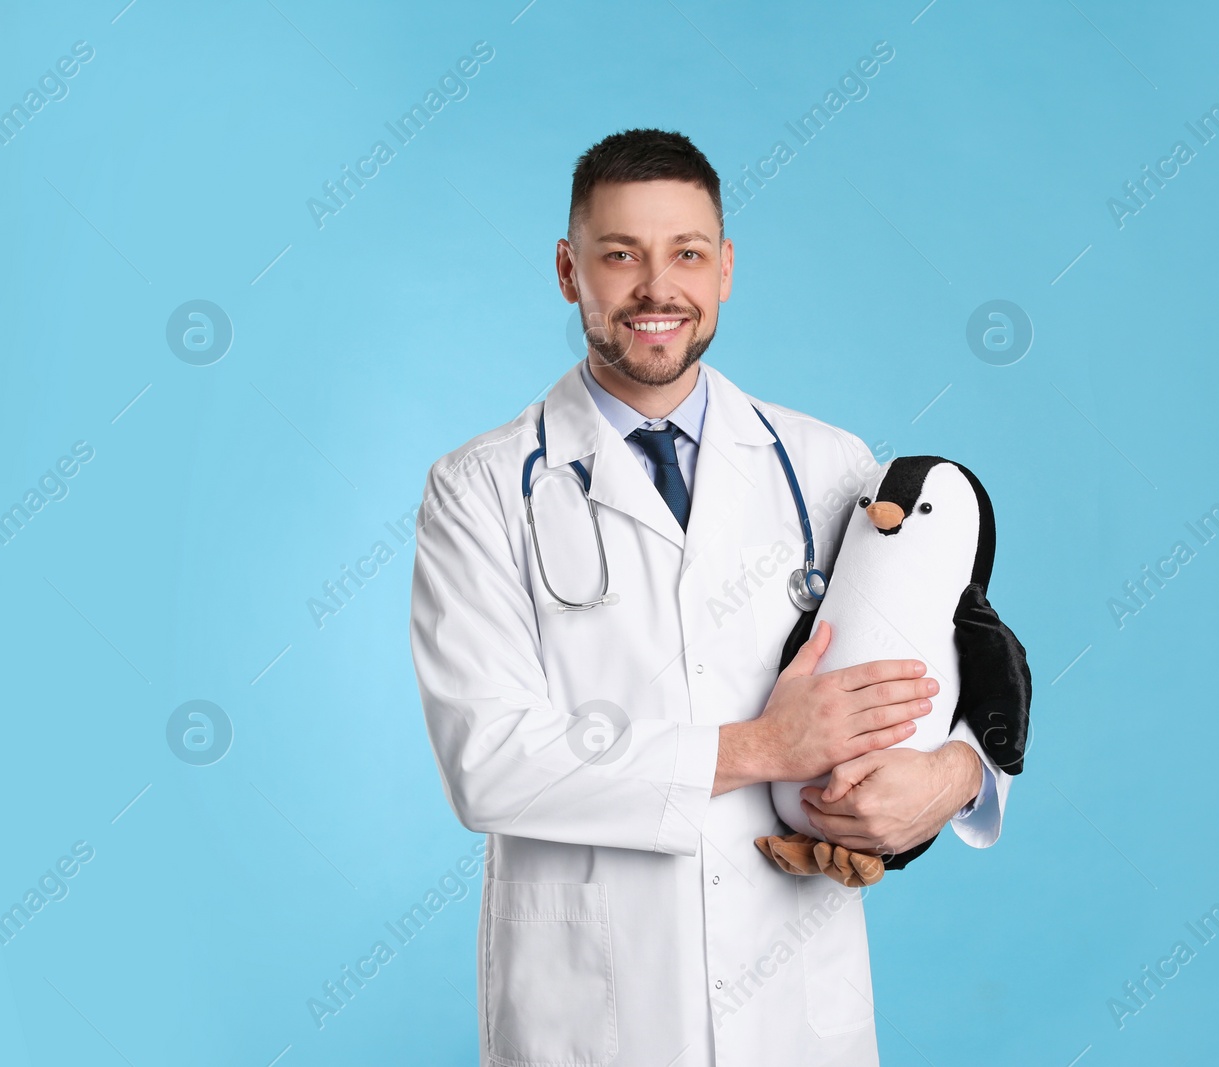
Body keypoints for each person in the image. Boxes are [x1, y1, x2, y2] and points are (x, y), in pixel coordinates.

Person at [409, 128, 1011, 1067]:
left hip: (797, 1008)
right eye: (621, 255)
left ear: (725, 269)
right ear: (570, 271)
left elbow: (967, 653)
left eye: (687, 253)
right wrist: (762, 748)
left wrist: (952, 781)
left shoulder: (829, 465)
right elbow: (488, 762)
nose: (658, 289)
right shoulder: (481, 487)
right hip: (593, 1015)